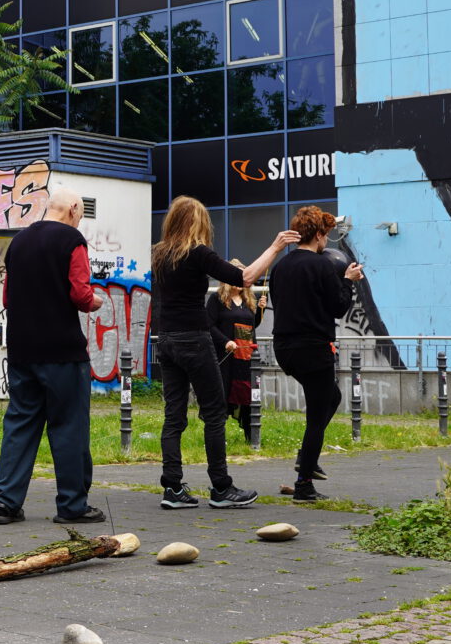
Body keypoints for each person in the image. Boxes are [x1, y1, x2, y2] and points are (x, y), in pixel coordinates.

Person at [150, 198, 298, 510]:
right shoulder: (198, 253)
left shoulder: (159, 254)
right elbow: (243, 278)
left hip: (166, 341)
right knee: (214, 413)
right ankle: (221, 488)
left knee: (173, 416)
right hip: (194, 340)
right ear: (197, 224)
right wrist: (275, 247)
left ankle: (173, 488)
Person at [0, 188, 108, 526]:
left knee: (20, 425)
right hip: (63, 352)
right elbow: (81, 294)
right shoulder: (73, 241)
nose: (78, 220)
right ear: (72, 208)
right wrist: (97, 302)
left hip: (22, 350)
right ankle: (72, 505)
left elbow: (8, 297)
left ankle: (5, 504)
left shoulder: (18, 243)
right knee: (68, 426)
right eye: (80, 214)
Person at [267, 206, 364, 502]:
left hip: (284, 348)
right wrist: (348, 281)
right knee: (316, 416)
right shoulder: (323, 266)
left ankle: (305, 459)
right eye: (326, 236)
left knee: (330, 398)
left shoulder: (280, 267)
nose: (327, 242)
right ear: (319, 235)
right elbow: (337, 307)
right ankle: (304, 482)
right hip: (313, 348)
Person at [207, 271, 266, 444]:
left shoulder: (248, 300)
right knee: (222, 394)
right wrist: (225, 342)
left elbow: (252, 325)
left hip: (245, 357)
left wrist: (260, 311)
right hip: (225, 356)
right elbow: (208, 325)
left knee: (248, 395)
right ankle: (218, 438)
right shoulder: (216, 300)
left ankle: (251, 437)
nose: (241, 283)